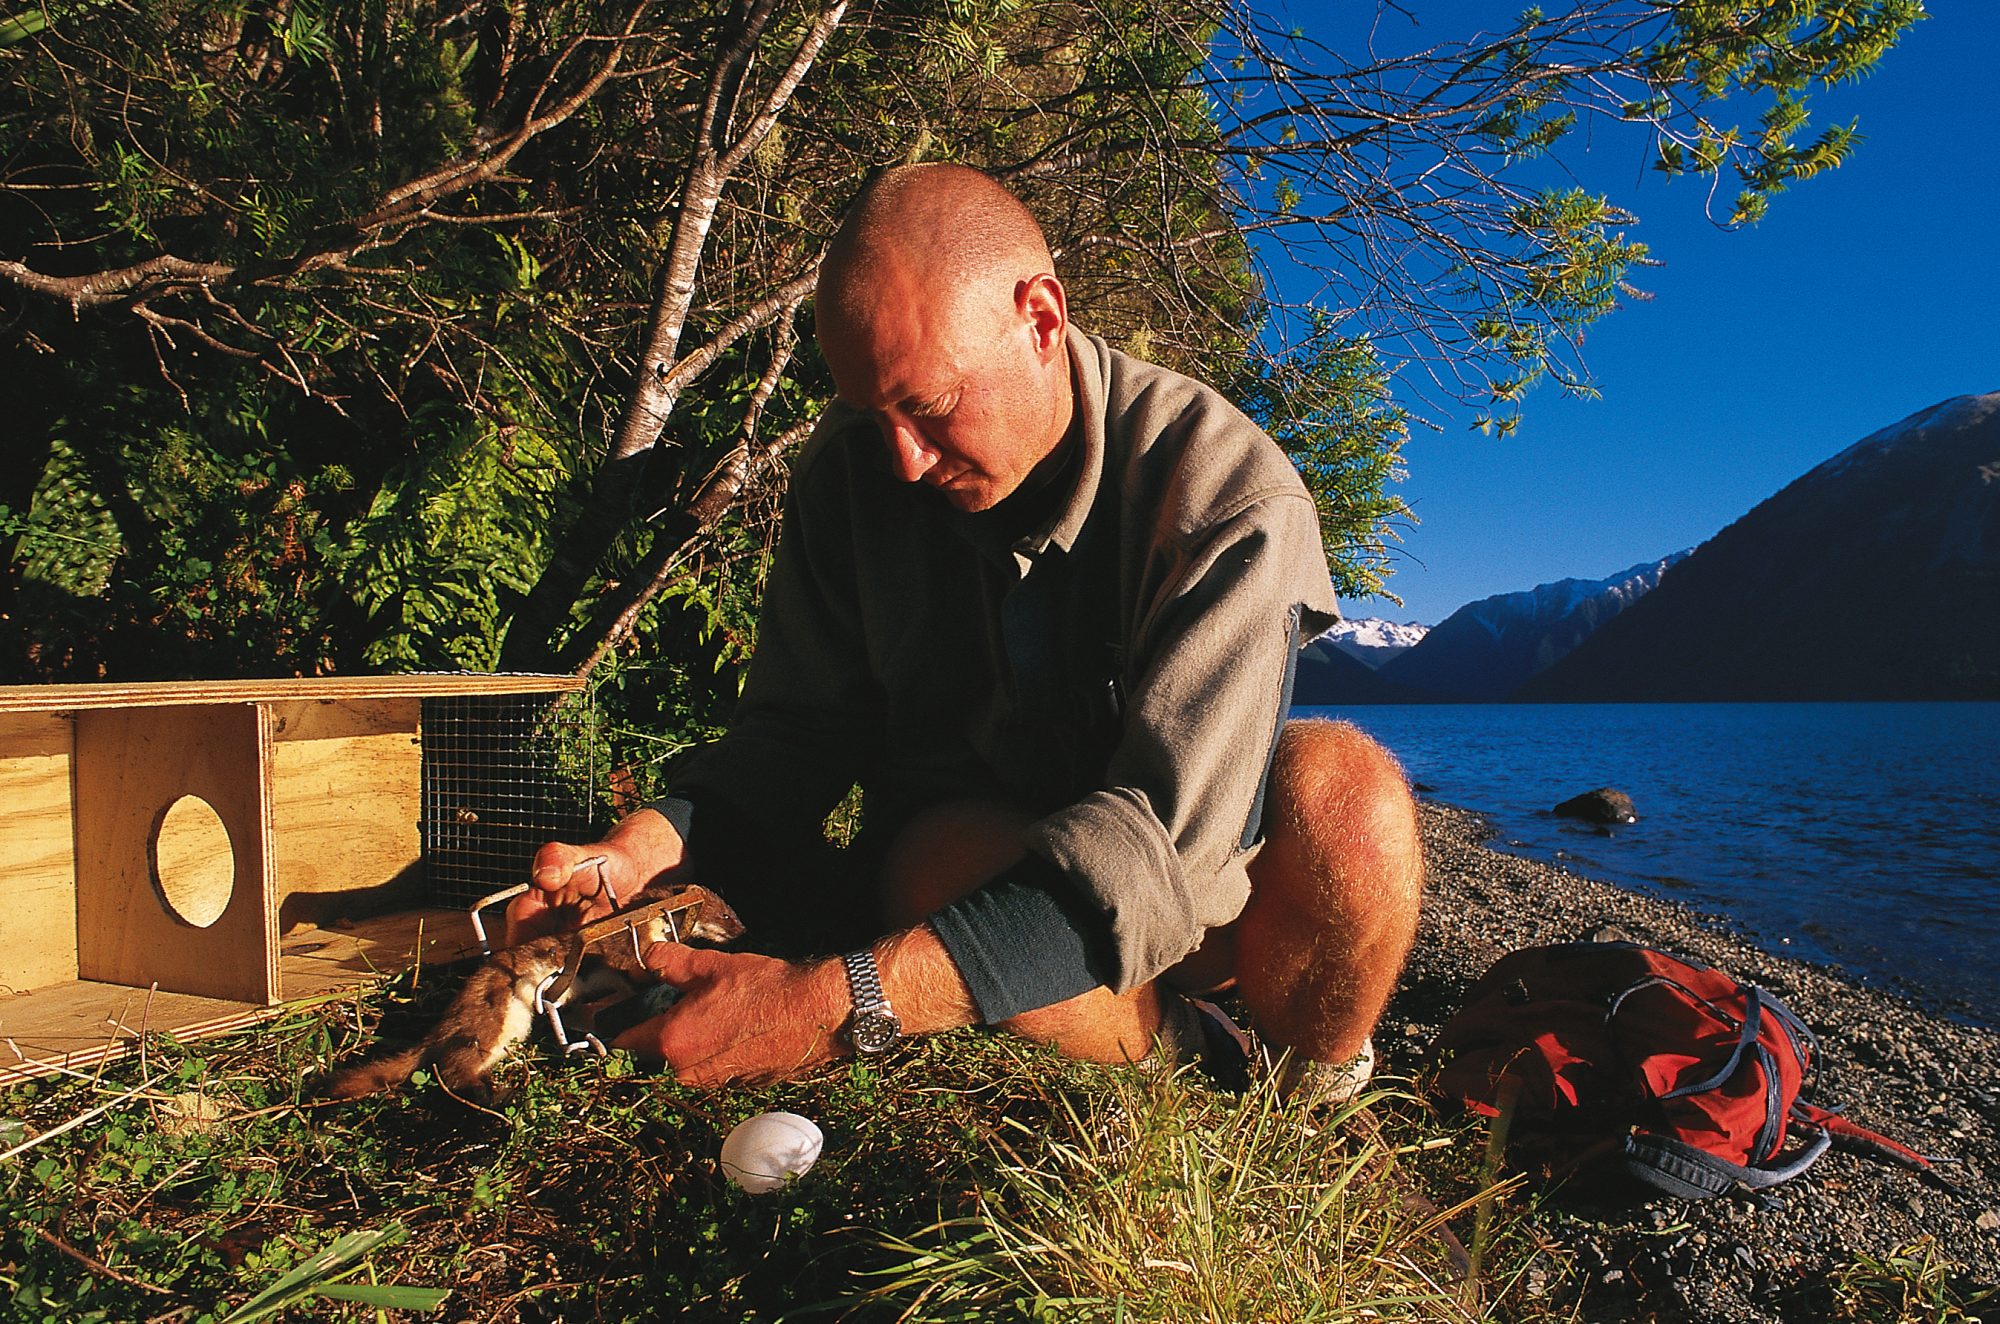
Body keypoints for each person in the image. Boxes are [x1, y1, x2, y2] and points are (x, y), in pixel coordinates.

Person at [509, 163, 1421, 1097]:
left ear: (1041, 320)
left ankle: (1315, 1084)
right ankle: (1197, 1061)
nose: (902, 461)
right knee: (938, 857)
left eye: (932, 406)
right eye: (875, 414)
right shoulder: (856, 472)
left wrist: (825, 1003)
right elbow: (796, 736)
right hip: (976, 871)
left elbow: (1161, 859)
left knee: (1351, 799)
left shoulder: (1226, 501)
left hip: (1199, 910)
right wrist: (645, 845)